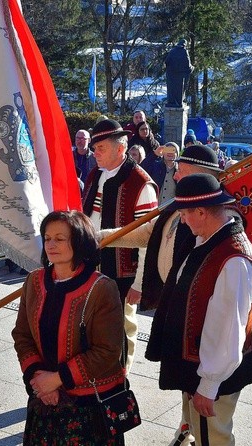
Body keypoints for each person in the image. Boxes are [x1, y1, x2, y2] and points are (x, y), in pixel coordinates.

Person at [97, 144, 234, 445]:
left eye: (182, 171)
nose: (175, 173)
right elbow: (147, 234)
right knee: (190, 396)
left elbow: (228, 325)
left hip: (204, 333)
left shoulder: (218, 228)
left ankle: (197, 433)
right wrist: (101, 238)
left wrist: (210, 383)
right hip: (182, 315)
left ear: (201, 176)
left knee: (213, 424)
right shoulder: (179, 205)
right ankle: (186, 431)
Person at [146, 173, 252, 445]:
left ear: (201, 211)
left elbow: (227, 329)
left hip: (215, 374)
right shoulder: (207, 238)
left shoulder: (232, 259)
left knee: (214, 438)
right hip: (198, 365)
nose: (182, 220)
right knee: (199, 432)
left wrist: (209, 385)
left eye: (185, 213)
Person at [12, 210, 126, 445]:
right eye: (47, 238)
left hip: (89, 408)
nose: (51, 244)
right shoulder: (34, 281)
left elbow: (107, 351)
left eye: (60, 239)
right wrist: (39, 378)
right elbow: (22, 335)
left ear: (79, 241)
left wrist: (58, 379)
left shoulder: (101, 288)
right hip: (44, 399)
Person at [82, 119, 158, 372]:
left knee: (123, 326)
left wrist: (139, 283)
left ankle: (120, 378)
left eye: (101, 147)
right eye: (94, 148)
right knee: (91, 322)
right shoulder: (95, 174)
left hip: (122, 271)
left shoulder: (140, 183)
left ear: (120, 149)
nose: (95, 153)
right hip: (91, 263)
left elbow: (149, 236)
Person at [165, 38, 193, 108]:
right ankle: (179, 101)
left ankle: (172, 101)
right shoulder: (184, 51)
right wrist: (192, 68)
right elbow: (188, 64)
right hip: (181, 75)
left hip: (171, 75)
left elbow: (166, 61)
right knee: (180, 89)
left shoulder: (172, 51)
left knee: (172, 89)